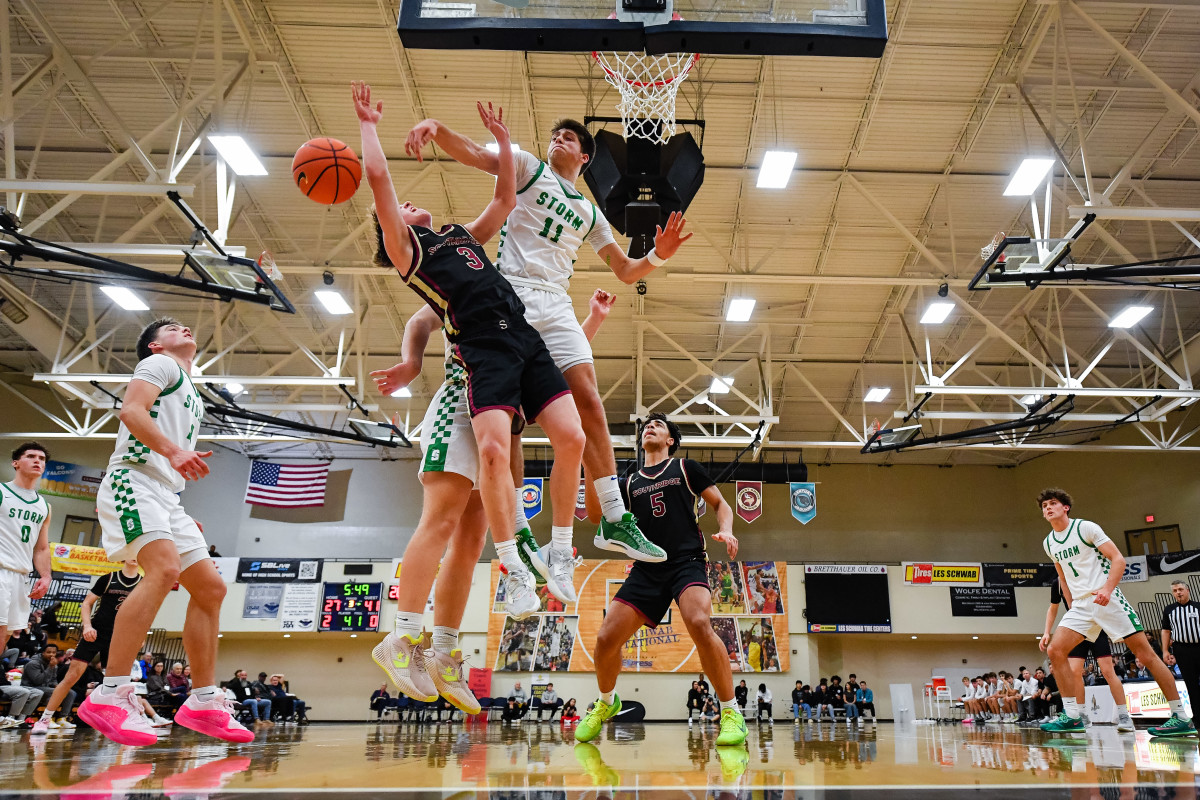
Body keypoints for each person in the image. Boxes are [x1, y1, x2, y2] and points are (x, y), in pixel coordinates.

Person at [404, 108, 693, 576]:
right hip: (510, 292)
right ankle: (517, 529)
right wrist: (437, 130)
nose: (559, 139)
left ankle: (614, 519)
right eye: (555, 134)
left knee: (591, 403)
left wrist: (660, 255)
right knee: (510, 419)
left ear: (584, 156)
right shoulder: (525, 165)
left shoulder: (591, 211)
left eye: (569, 138)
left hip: (556, 301)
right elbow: (477, 154)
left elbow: (624, 270)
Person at [355, 82, 586, 624]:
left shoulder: (459, 235)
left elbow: (506, 200)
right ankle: (513, 569)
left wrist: (504, 143)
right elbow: (380, 179)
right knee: (491, 460)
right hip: (482, 348)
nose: (410, 204)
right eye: (401, 209)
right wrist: (369, 126)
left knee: (572, 436)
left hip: (522, 335)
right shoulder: (410, 252)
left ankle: (558, 551)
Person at [369, 290, 614, 712]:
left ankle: (442, 651)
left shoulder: (528, 303)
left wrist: (592, 321)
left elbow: (551, 355)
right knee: (440, 521)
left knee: (468, 546)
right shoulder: (474, 286)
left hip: (500, 420)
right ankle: (401, 636)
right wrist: (411, 363)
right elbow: (419, 320)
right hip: (460, 407)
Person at [76, 318, 251, 747]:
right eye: (172, 328)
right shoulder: (160, 366)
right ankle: (110, 692)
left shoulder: (190, 387)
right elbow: (131, 411)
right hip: (132, 480)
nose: (185, 329)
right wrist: (174, 451)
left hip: (166, 495)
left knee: (210, 588)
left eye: (187, 326)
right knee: (163, 569)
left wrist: (178, 512)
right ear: (155, 345)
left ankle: (204, 700)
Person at [574, 413, 746, 748]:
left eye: (658, 425)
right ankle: (607, 702)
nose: (649, 427)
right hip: (647, 567)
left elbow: (721, 504)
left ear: (670, 440)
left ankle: (730, 712)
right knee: (606, 637)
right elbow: (597, 518)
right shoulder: (627, 481)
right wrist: (588, 465)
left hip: (686, 562)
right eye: (646, 426)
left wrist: (725, 529)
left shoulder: (685, 468)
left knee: (698, 621)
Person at [1038, 488, 1195, 737]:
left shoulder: (1086, 528)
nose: (1048, 508)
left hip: (1107, 599)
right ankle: (1072, 715)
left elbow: (1118, 559)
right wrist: (1071, 609)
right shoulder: (1048, 543)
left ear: (1065, 507)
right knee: (1055, 650)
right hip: (1080, 605)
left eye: (1053, 503)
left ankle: (1180, 716)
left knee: (1147, 655)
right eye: (1044, 505)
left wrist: (1107, 590)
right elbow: (1063, 578)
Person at [1041, 574, 1134, 731]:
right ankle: (1082, 714)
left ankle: (1124, 715)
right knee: (1074, 672)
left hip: (1095, 626)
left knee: (1107, 671)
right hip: (1076, 629)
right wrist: (1046, 632)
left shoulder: (1084, 575)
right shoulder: (1057, 583)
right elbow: (1053, 607)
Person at [0, 443, 53, 661]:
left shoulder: (44, 505)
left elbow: (41, 547)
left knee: (4, 638)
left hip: (21, 576)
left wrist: (46, 575)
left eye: (41, 459)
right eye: (30, 456)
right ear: (15, 463)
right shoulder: (2, 491)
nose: (37, 461)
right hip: (1, 568)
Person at [1161, 579, 1200, 718]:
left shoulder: (1198, 607)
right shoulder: (1169, 610)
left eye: (1180, 590)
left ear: (1187, 590)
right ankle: (1197, 719)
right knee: (1191, 685)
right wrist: (1165, 651)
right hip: (1182, 650)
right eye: (1175, 591)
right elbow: (1166, 631)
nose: (1178, 593)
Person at [22, 644, 76, 731]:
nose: (51, 654)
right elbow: (37, 681)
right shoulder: (33, 663)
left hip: (45, 688)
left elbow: (53, 679)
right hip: (31, 688)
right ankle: (47, 719)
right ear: (43, 653)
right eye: (48, 652)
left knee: (70, 692)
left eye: (54, 652)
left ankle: (61, 718)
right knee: (54, 692)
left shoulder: (54, 664)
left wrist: (57, 685)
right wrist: (50, 667)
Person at [0, 661, 40, 728]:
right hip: (2, 686)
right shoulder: (34, 663)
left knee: (37, 693)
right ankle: (12, 717)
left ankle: (22, 719)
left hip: (9, 684)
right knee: (24, 692)